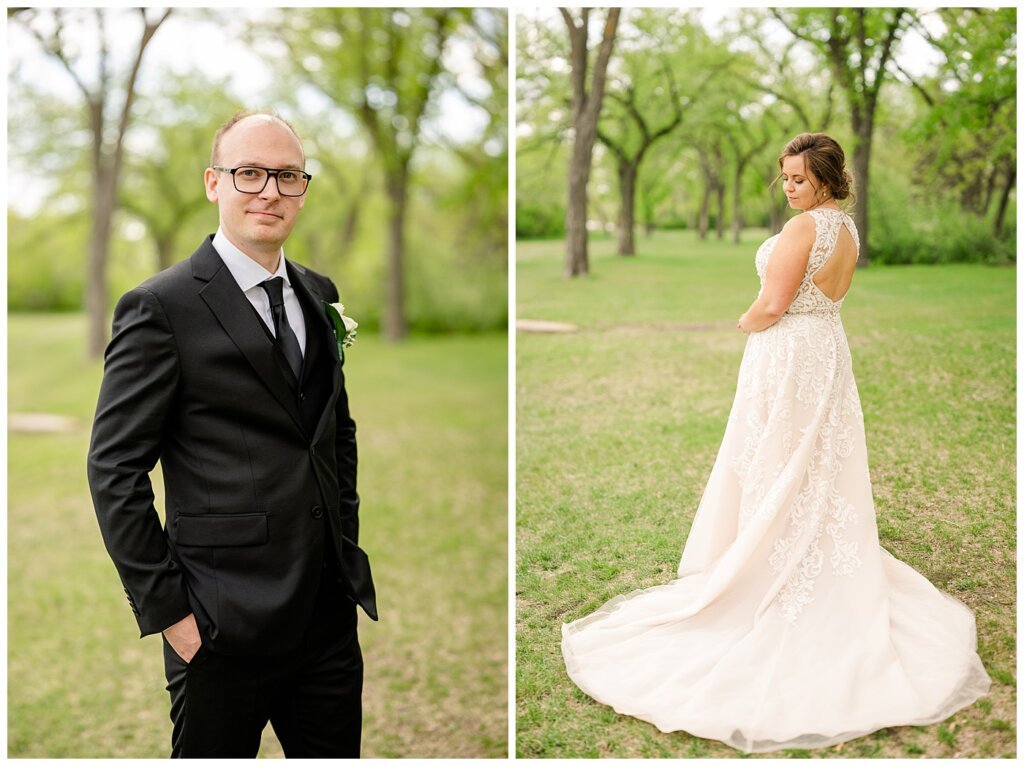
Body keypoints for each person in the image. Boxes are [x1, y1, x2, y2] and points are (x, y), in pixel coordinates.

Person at [561, 132, 990, 753]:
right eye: (784, 178)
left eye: (798, 179)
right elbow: (830, 295)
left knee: (780, 460)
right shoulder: (846, 229)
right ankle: (795, 541)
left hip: (789, 354)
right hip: (826, 350)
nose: (788, 187)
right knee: (811, 462)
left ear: (825, 179)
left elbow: (772, 304)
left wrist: (746, 320)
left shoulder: (802, 232)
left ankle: (773, 563)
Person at [87, 109, 378, 758]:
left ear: (304, 187)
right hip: (220, 622)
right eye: (250, 173)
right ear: (213, 183)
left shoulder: (317, 293)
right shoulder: (160, 307)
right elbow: (113, 471)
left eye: (287, 175)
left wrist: (345, 543)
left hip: (326, 614)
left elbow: (336, 433)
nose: (269, 190)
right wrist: (171, 616)